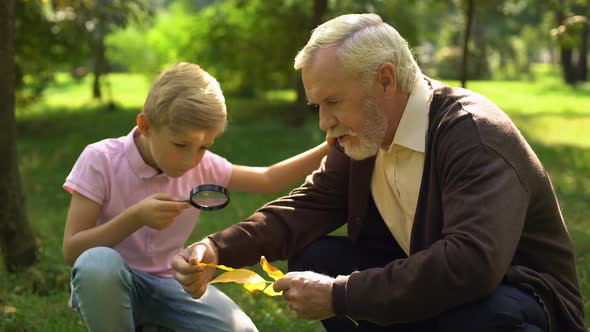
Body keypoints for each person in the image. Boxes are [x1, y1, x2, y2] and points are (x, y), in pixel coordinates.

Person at [172, 13, 587, 332]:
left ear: (386, 80)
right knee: (315, 257)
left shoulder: (473, 135)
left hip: (523, 296)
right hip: (440, 283)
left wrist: (342, 295)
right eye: (318, 106)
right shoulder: (362, 136)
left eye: (333, 102)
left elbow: (471, 264)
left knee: (484, 315)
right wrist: (216, 249)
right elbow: (304, 209)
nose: (324, 123)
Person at [62, 62, 329, 332]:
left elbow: (269, 178)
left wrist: (330, 146)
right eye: (181, 145)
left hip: (171, 285)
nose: (191, 160)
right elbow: (73, 251)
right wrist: (135, 217)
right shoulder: (100, 159)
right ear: (146, 126)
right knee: (97, 263)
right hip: (112, 286)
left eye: (204, 146)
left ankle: (153, 324)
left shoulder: (205, 166)